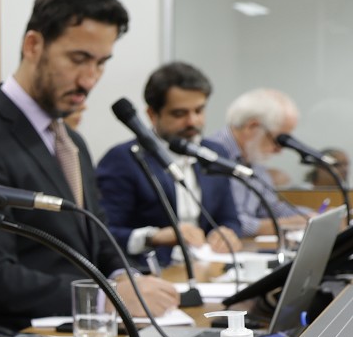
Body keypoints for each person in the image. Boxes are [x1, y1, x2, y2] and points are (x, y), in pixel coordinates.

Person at [0, 0, 179, 337]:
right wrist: (104, 297)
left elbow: (96, 236)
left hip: (78, 336)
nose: (90, 79)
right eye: (79, 59)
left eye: (100, 63)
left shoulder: (72, 142)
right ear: (33, 45)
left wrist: (128, 279)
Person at [95, 62, 240, 265]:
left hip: (208, 268)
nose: (193, 122)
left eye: (199, 110)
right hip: (153, 273)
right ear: (152, 115)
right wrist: (154, 236)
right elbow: (102, 234)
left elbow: (230, 218)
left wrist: (227, 233)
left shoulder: (214, 153)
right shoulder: (124, 159)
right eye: (179, 114)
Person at [206, 88, 309, 237]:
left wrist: (310, 216)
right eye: (278, 141)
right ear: (252, 127)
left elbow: (270, 207)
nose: (279, 150)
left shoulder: (253, 154)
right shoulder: (211, 156)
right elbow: (229, 221)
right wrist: (289, 224)